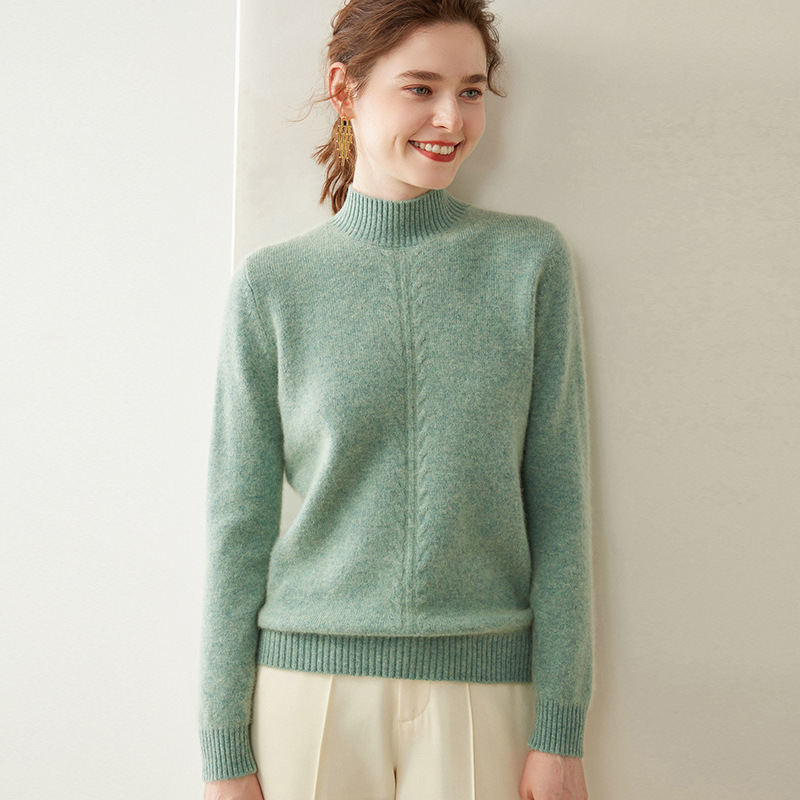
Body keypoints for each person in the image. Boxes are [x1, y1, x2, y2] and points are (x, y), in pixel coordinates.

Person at [199, 1, 594, 798]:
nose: (452, 118)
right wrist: (222, 751)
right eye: (421, 88)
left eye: (471, 91)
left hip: (483, 689)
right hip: (306, 692)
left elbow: (560, 505)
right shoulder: (273, 287)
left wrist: (560, 725)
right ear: (344, 89)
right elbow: (236, 528)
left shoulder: (529, 263)